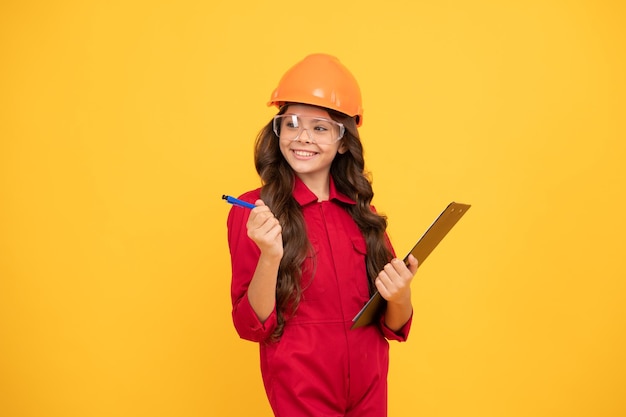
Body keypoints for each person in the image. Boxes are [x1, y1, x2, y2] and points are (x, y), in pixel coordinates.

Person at [226, 53, 419, 417]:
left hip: (370, 381)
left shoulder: (364, 213)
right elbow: (251, 325)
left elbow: (393, 325)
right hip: (301, 384)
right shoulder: (255, 211)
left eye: (320, 127)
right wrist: (270, 255)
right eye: (292, 123)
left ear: (344, 141)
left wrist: (401, 293)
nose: (303, 137)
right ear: (277, 129)